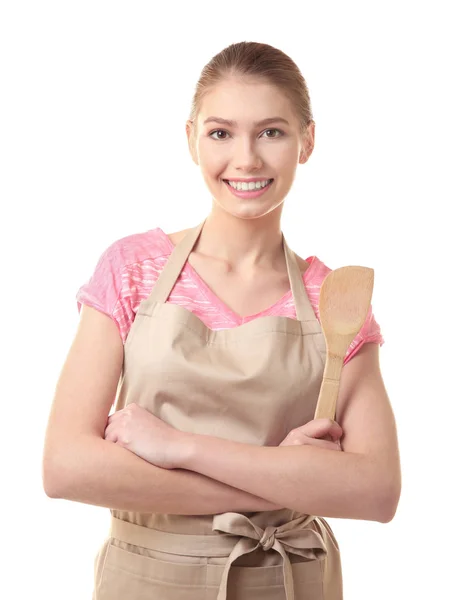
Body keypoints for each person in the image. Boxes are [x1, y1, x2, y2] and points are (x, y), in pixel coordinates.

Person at [42, 41, 401, 600]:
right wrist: (281, 480)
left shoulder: (335, 297)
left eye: (271, 132)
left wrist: (177, 447)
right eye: (221, 133)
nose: (247, 159)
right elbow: (66, 467)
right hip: (148, 579)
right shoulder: (134, 268)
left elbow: (376, 492)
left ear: (307, 141)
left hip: (289, 582)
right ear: (191, 138)